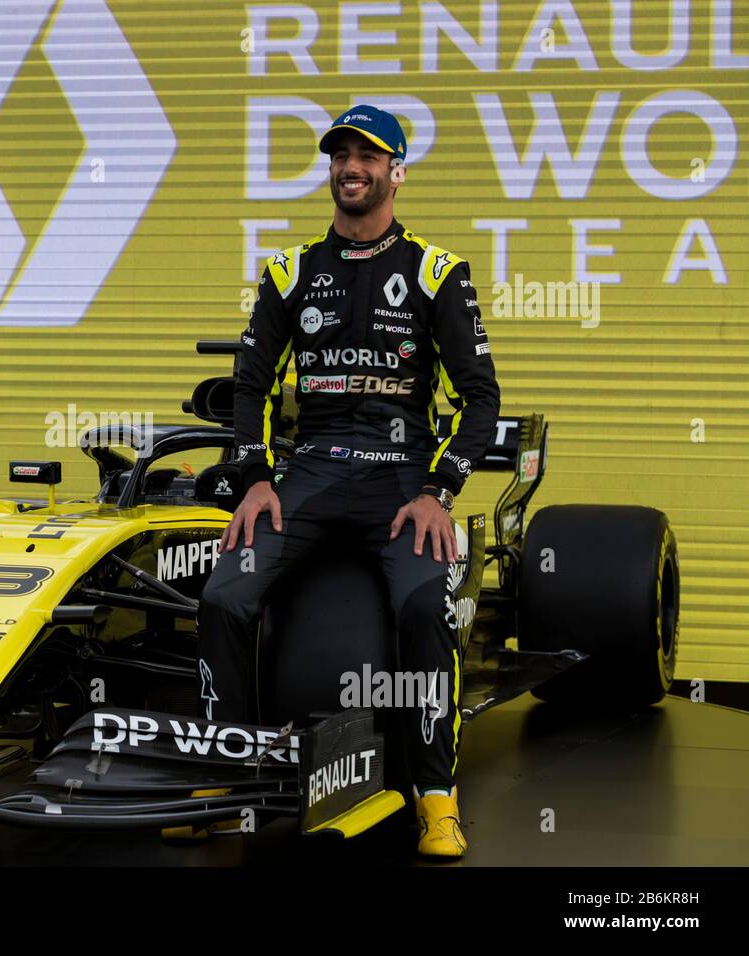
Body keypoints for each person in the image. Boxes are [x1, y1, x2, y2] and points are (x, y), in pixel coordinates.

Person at [196, 105, 499, 857]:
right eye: (340, 155)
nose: (350, 167)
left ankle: (436, 797)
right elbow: (252, 385)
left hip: (403, 483)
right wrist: (257, 477)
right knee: (224, 596)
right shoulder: (289, 270)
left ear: (396, 172)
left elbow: (480, 396)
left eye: (367, 156)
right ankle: (224, 782)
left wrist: (442, 491)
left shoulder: (436, 271)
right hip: (311, 472)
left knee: (429, 606)